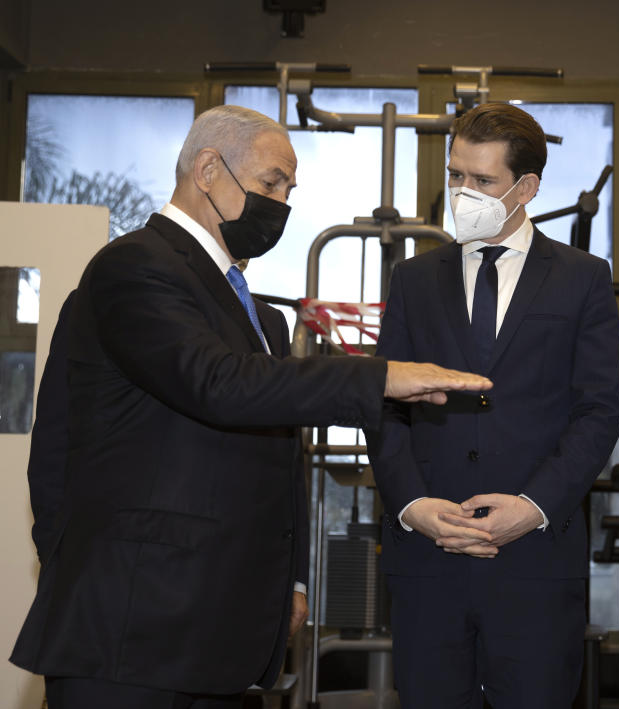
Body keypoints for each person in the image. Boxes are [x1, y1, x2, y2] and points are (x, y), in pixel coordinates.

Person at [10, 105, 491, 709]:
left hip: (221, 636)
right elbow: (217, 384)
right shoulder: (132, 267)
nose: (282, 204)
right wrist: (380, 377)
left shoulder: (259, 314)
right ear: (208, 169)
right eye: (270, 183)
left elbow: (279, 451)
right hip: (130, 632)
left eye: (289, 189)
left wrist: (288, 578)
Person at [365, 103, 619, 708]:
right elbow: (383, 404)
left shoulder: (583, 278)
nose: (463, 192)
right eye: (456, 176)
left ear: (526, 188)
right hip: (428, 557)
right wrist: (411, 505)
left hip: (534, 558)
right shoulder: (413, 279)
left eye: (482, 181)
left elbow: (599, 411)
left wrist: (533, 506)